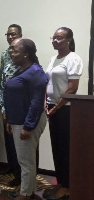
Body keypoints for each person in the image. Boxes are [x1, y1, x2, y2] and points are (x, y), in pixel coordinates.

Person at [4, 39, 47, 200]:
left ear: (26, 54)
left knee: (25, 161)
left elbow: (36, 103)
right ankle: (29, 188)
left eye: (15, 50)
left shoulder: (35, 72)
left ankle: (25, 194)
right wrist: (10, 120)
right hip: (17, 121)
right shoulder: (21, 69)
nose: (11, 53)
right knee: (25, 159)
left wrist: (28, 126)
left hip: (28, 122)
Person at [44, 27, 83, 200]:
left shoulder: (73, 59)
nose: (55, 40)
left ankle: (68, 187)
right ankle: (61, 181)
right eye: (53, 37)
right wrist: (46, 102)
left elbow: (72, 88)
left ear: (68, 40)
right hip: (52, 107)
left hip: (65, 109)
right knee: (56, 147)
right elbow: (48, 82)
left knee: (65, 148)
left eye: (59, 38)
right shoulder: (53, 59)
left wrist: (57, 107)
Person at [0, 24, 22, 186]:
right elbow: (2, 81)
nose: (10, 37)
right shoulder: (4, 54)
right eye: (8, 34)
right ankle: (12, 167)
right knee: (8, 138)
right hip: (6, 102)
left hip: (20, 103)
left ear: (20, 35)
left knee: (20, 141)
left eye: (14, 34)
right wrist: (2, 104)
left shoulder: (26, 52)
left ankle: (21, 174)